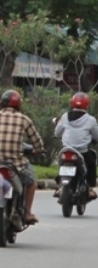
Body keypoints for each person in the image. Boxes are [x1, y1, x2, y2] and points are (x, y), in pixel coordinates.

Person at [0, 90, 45, 224]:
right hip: (16, 164)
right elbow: (37, 142)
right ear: (19, 105)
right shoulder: (23, 119)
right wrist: (38, 150)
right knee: (31, 183)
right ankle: (27, 213)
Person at [54, 92, 98, 200]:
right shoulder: (90, 120)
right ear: (87, 105)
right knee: (91, 165)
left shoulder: (64, 116)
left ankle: (58, 187)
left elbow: (57, 133)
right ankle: (90, 189)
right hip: (82, 152)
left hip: (66, 150)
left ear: (71, 103)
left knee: (61, 165)